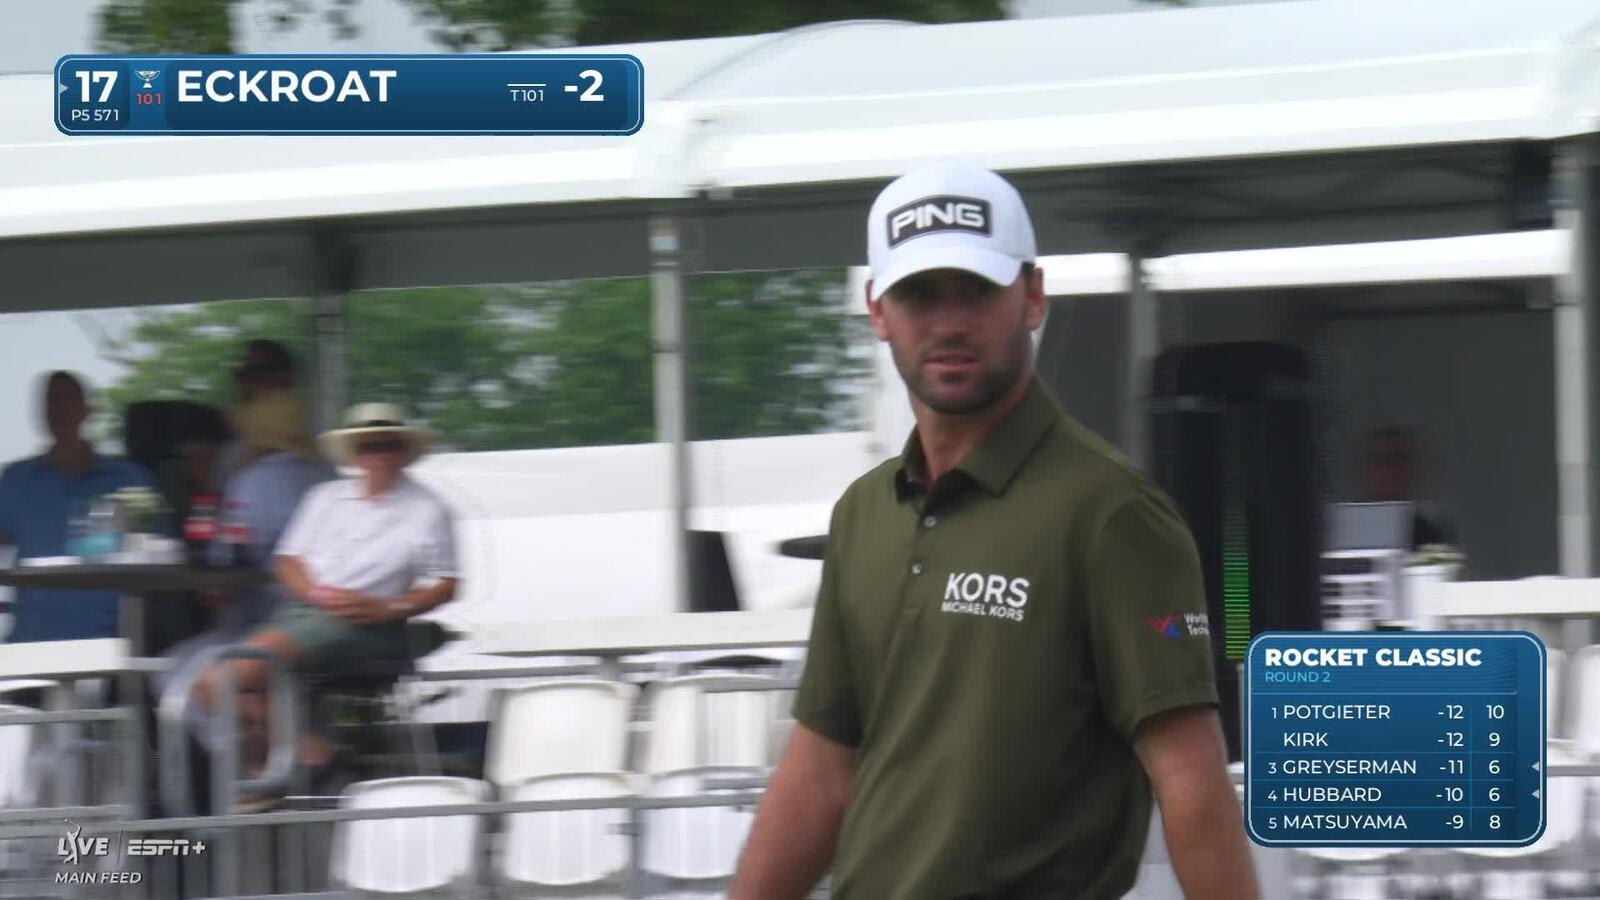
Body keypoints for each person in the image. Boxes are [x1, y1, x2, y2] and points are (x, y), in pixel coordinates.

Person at [730, 160, 1258, 900]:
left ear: (1032, 297)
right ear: (877, 309)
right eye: (920, 293)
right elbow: (821, 770)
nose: (949, 323)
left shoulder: (1112, 512)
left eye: (975, 290)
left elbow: (1191, 781)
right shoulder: (864, 513)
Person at [192, 402, 459, 796]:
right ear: (354, 453)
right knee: (225, 684)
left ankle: (282, 778)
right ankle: (306, 763)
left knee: (220, 680)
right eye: (368, 446)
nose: (379, 455)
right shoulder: (326, 496)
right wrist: (318, 594)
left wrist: (389, 607)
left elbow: (447, 582)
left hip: (371, 624)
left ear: (404, 451)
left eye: (388, 445)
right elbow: (287, 561)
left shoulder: (427, 507)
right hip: (311, 610)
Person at [0, 371, 154, 642]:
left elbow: (160, 553)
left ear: (87, 410)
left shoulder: (129, 480)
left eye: (67, 398)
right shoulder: (16, 480)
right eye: (51, 400)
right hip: (31, 644)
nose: (58, 407)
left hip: (110, 644)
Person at [213, 339, 297, 489]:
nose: (251, 380)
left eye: (262, 370)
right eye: (242, 374)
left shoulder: (319, 446)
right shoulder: (230, 455)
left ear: (287, 376)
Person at [1364, 425, 1451, 548]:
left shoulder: (1429, 532)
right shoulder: (1347, 524)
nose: (1389, 470)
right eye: (1380, 461)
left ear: (1411, 469)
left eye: (1397, 461)